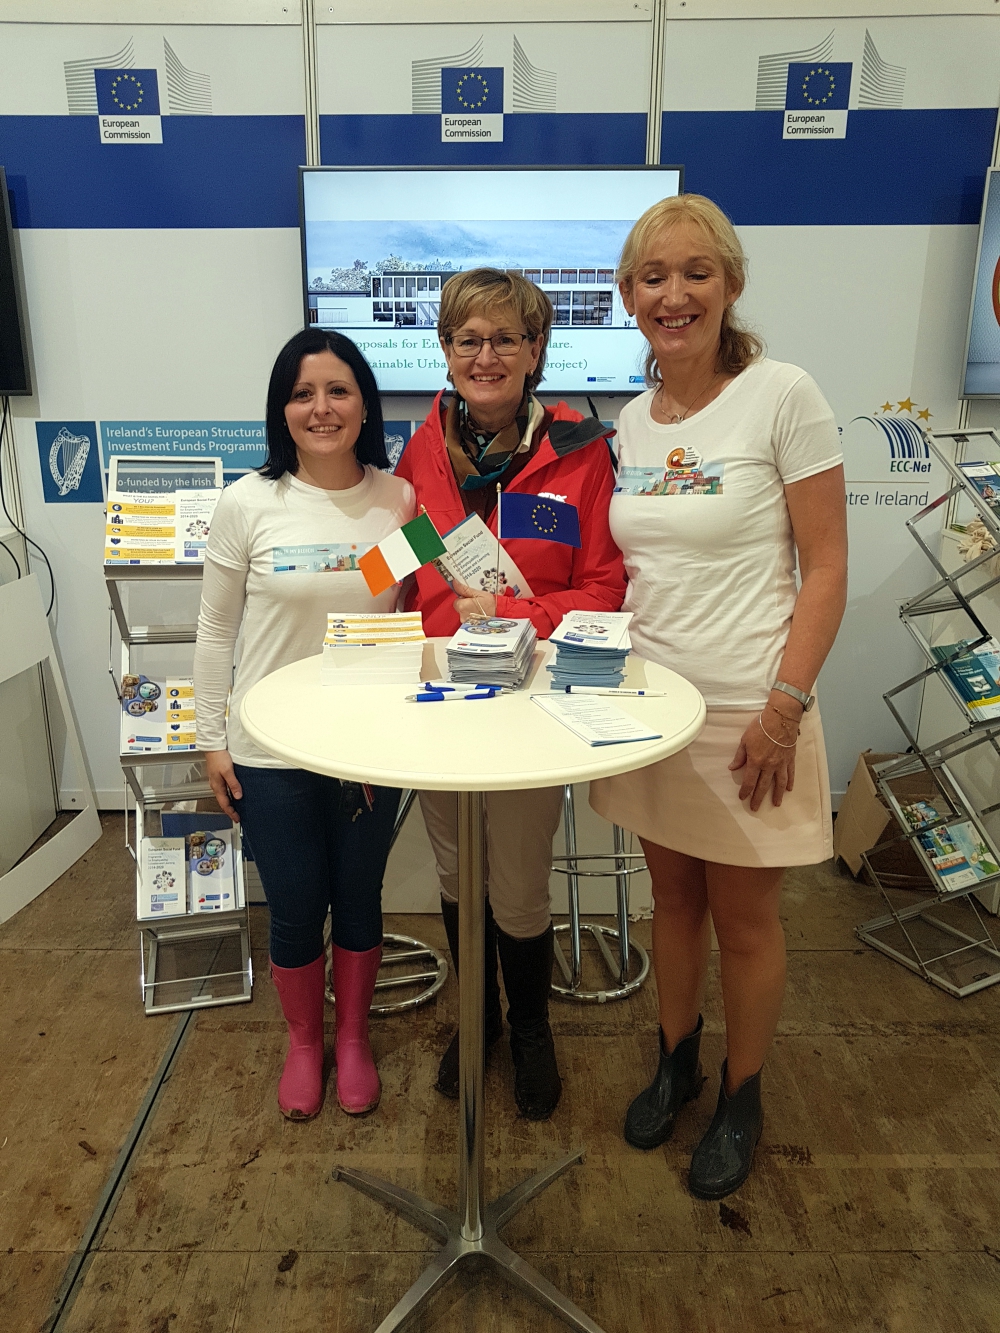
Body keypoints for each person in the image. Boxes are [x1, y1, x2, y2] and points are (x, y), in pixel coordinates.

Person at [589, 194, 847, 1198]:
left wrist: (784, 706)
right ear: (627, 297)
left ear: (730, 284)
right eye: (652, 276)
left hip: (752, 715)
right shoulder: (630, 421)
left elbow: (823, 567)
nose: (674, 294)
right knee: (672, 901)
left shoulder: (782, 394)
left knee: (745, 921)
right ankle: (675, 1060)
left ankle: (741, 1095)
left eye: (695, 272)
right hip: (654, 710)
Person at [395, 267, 626, 1120]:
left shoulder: (580, 453)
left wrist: (515, 611)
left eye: (504, 339)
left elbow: (603, 587)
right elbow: (411, 572)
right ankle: (477, 1015)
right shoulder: (419, 452)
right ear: (446, 351)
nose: (484, 355)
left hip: (535, 700)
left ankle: (530, 1024)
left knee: (521, 877)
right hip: (445, 701)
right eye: (467, 339)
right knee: (457, 866)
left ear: (536, 350)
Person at [194, 328, 415, 1120]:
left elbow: (405, 606)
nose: (320, 408)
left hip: (366, 745)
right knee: (293, 901)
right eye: (301, 392)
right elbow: (216, 631)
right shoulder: (248, 503)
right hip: (269, 748)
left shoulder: (400, 501)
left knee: (358, 894)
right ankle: (305, 1043)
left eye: (337, 390)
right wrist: (210, 738)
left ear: (364, 403)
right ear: (281, 409)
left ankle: (352, 1037)